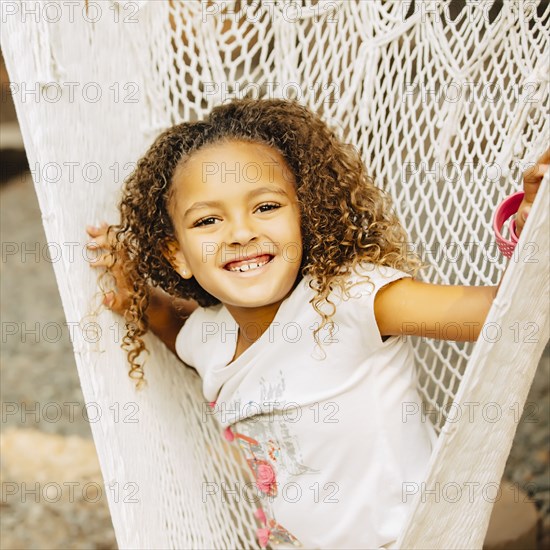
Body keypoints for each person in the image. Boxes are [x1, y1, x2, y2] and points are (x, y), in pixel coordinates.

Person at [85, 99, 548, 549]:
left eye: (266, 207)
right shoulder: (209, 334)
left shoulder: (350, 300)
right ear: (177, 254)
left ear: (307, 217)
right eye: (208, 220)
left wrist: (532, 231)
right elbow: (169, 323)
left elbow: (505, 316)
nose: (241, 232)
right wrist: (135, 294)